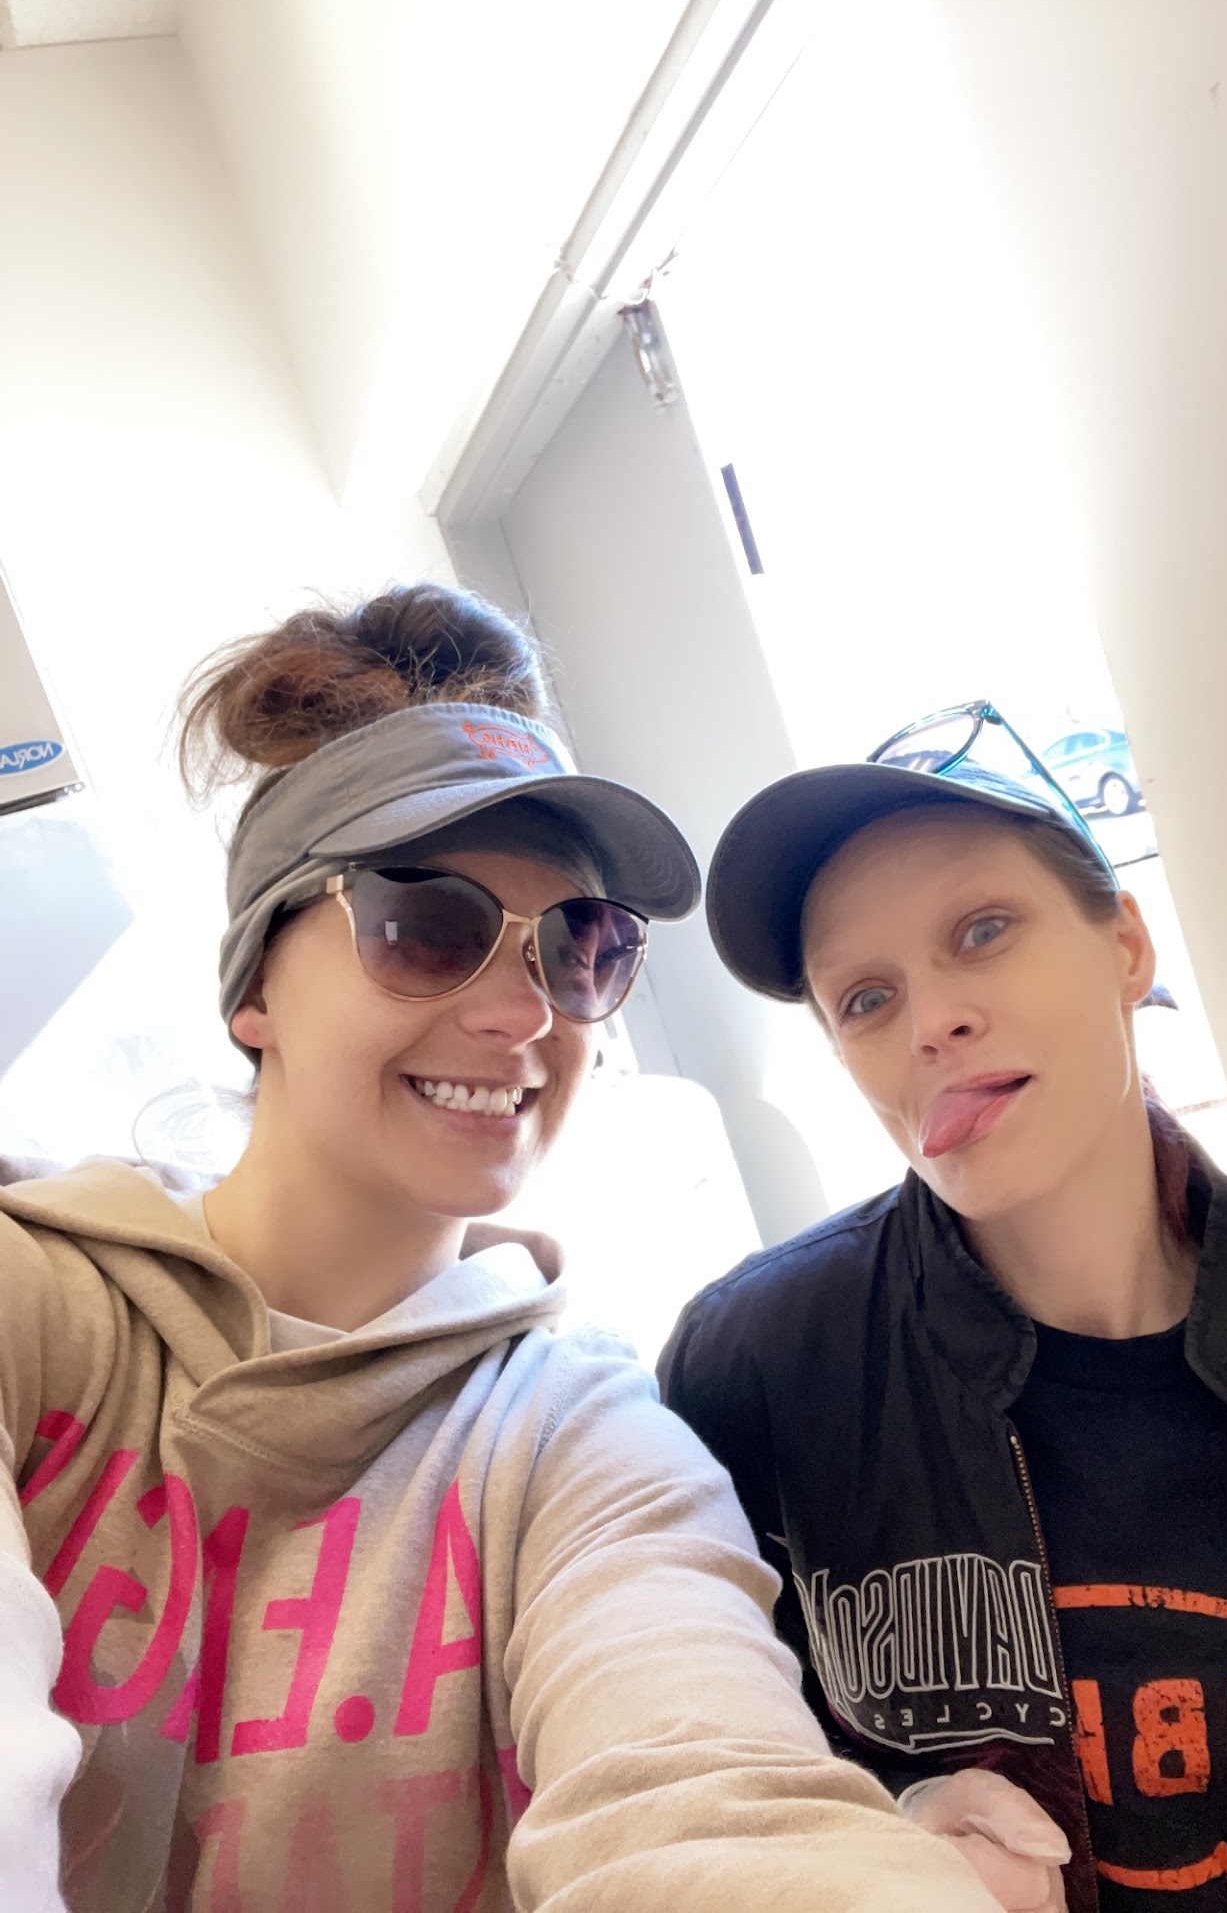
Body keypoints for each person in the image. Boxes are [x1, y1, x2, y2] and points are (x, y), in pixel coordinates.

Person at [0, 586, 1006, 1913]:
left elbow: (711, 1799)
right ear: (255, 991)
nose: (524, 1013)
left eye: (581, 949)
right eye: (426, 928)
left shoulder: (581, 1438)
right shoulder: (34, 1309)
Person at [661, 749, 1227, 1912]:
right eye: (866, 999)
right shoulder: (756, 1365)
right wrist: (886, 1822)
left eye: (982, 931)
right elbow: (698, 1770)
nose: (932, 1022)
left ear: (1126, 945)